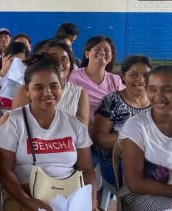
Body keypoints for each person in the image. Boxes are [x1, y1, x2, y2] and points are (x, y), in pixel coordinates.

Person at [0, 53, 97, 211]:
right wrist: (29, 202)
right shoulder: (12, 122)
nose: (47, 92)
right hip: (25, 197)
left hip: (69, 200)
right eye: (39, 87)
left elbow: (87, 171)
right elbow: (3, 170)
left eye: (54, 86)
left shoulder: (75, 125)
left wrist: (90, 203)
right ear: (27, 90)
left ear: (62, 87)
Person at [93, 55, 151, 187]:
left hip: (154, 161)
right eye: (134, 75)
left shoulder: (157, 100)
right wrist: (132, 139)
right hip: (116, 163)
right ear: (123, 76)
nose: (140, 80)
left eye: (146, 75)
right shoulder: (112, 101)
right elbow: (98, 138)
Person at [119, 65, 172, 211]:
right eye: (152, 89)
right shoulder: (136, 126)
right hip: (141, 195)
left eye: (168, 89)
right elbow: (135, 183)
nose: (159, 96)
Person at [12, 40, 90, 125]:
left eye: (64, 59)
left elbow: (82, 132)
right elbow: (16, 125)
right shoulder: (26, 90)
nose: (60, 63)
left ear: (71, 66)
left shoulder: (79, 94)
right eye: (54, 58)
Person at [68, 36, 125, 126]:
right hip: (81, 129)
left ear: (111, 57)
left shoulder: (115, 80)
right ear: (87, 54)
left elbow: (124, 107)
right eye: (97, 49)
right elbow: (68, 109)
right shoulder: (73, 77)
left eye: (106, 50)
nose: (102, 52)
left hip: (109, 130)